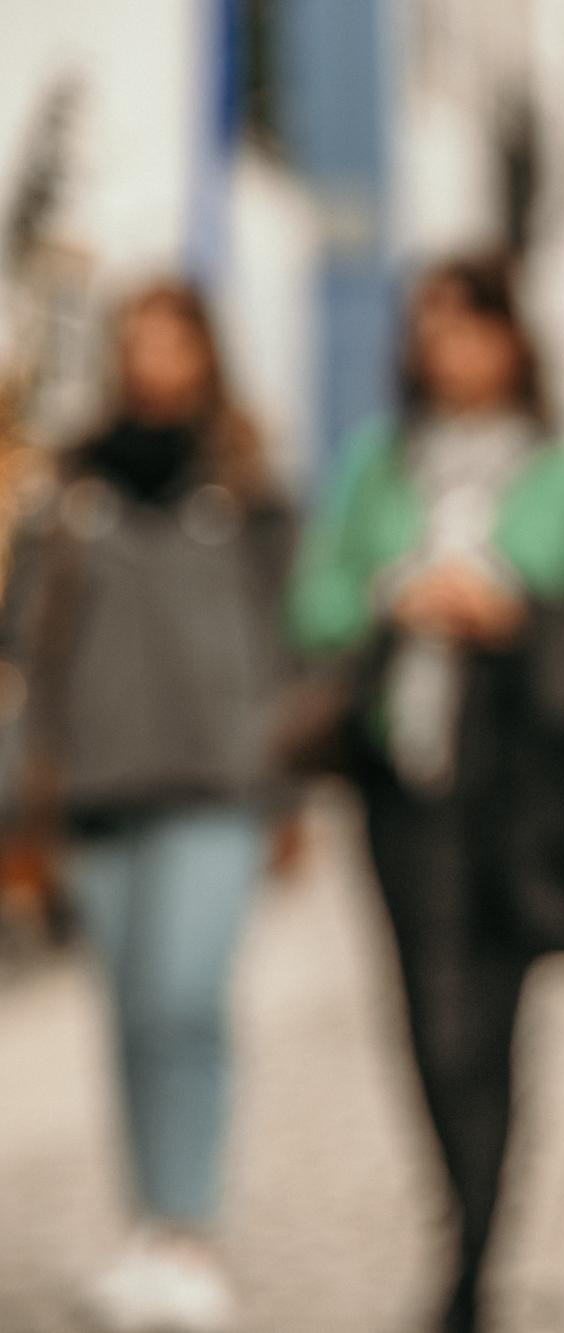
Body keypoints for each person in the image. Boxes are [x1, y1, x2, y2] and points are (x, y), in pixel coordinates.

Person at [288, 255, 564, 1333]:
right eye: (430, 329)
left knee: (484, 1021)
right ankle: (458, 1214)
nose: (447, 349)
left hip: (515, 793)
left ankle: (471, 1260)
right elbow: (314, 600)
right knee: (421, 1014)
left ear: (512, 338)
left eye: (467, 327)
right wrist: (395, 593)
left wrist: (514, 611)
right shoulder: (380, 466)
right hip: (398, 784)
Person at [0, 280, 293, 1332]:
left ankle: (189, 1229)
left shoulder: (246, 488)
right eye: (139, 342)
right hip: (98, 788)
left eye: (174, 342)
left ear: (205, 353)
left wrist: (280, 761)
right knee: (128, 1010)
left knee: (185, 999)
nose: (154, 362)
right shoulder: (70, 492)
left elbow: (290, 632)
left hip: (215, 788)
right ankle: (145, 1226)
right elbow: (28, 640)